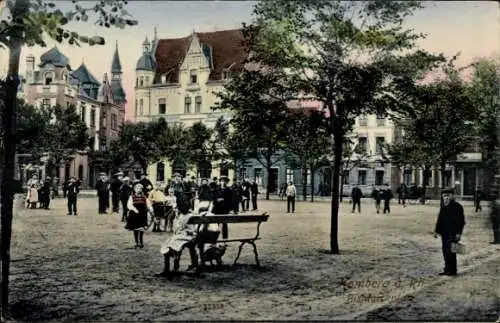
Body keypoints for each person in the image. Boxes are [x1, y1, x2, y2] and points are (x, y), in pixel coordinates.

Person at [157, 197, 204, 280]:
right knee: (169, 243)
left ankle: (173, 263)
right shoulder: (185, 215)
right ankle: (170, 264)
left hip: (187, 237)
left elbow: (188, 229)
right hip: (184, 236)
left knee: (173, 243)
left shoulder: (187, 216)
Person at [434, 188, 465, 276]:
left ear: (452, 196)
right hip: (444, 233)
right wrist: (436, 231)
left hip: (453, 233)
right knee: (445, 251)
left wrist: (459, 233)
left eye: (448, 195)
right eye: (444, 196)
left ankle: (453, 270)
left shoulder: (457, 207)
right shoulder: (443, 206)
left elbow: (461, 221)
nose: (446, 198)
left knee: (451, 252)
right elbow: (440, 219)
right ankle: (447, 269)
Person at [125, 183, 153, 248]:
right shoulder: (131, 197)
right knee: (136, 228)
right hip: (135, 214)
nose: (138, 190)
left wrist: (151, 209)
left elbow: (148, 204)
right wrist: (135, 210)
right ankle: (136, 242)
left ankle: (141, 241)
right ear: (134, 189)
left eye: (140, 189)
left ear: (141, 189)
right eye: (137, 188)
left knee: (141, 228)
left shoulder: (144, 197)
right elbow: (129, 205)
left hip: (143, 214)